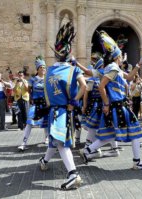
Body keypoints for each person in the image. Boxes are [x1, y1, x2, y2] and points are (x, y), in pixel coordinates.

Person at [79, 30, 142, 170]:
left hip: (117, 106)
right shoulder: (113, 68)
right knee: (135, 132)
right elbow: (101, 86)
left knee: (109, 135)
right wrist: (106, 103)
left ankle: (87, 151)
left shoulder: (111, 68)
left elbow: (129, 77)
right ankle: (137, 162)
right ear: (118, 57)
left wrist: (138, 65)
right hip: (118, 106)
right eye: (121, 56)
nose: (122, 58)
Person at [39, 22, 86, 190]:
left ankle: (73, 174)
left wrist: (72, 103)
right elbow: (84, 87)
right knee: (55, 138)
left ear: (57, 55)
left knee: (60, 143)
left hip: (57, 112)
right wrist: (73, 102)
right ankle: (44, 161)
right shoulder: (73, 70)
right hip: (66, 110)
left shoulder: (50, 71)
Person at [18, 56, 48, 151]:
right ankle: (24, 142)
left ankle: (47, 138)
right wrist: (32, 99)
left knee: (46, 122)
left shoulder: (48, 79)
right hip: (35, 103)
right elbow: (29, 90)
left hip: (45, 104)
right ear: (37, 69)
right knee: (29, 122)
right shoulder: (32, 79)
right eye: (41, 67)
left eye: (44, 67)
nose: (43, 69)